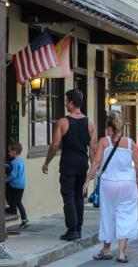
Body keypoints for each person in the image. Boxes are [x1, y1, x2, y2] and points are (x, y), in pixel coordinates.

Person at [84, 111, 138, 263]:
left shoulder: (104, 142)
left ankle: (106, 250)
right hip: (128, 185)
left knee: (107, 216)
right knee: (126, 216)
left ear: (109, 128)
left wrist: (87, 180)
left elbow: (96, 163)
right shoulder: (130, 143)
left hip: (109, 184)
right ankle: (121, 253)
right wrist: (136, 178)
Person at [42, 89, 97, 241]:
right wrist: (93, 170)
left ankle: (72, 229)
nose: (66, 104)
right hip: (82, 165)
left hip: (68, 164)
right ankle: (78, 228)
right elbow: (92, 149)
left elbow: (54, 145)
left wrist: (47, 162)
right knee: (79, 197)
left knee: (68, 197)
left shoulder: (63, 122)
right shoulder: (90, 124)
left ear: (72, 103)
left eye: (67, 101)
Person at [5, 142, 31, 228]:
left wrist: (4, 179)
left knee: (13, 199)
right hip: (21, 185)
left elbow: (13, 175)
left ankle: (6, 204)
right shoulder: (21, 161)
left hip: (15, 185)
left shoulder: (14, 163)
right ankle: (25, 220)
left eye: (9, 151)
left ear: (14, 152)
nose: (8, 153)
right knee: (18, 202)